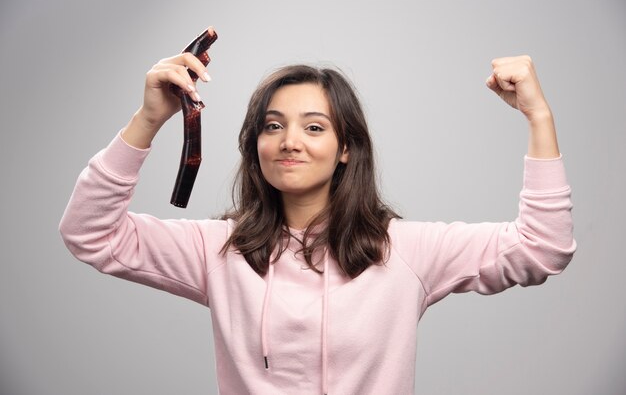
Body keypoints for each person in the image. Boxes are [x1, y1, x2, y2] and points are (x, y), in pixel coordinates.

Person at [59, 27, 576, 394]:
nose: (289, 143)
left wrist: (539, 116)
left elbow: (541, 249)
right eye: (272, 125)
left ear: (345, 146)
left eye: (313, 127)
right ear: (254, 143)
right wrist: (149, 118)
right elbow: (91, 234)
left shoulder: (406, 251)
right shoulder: (218, 251)